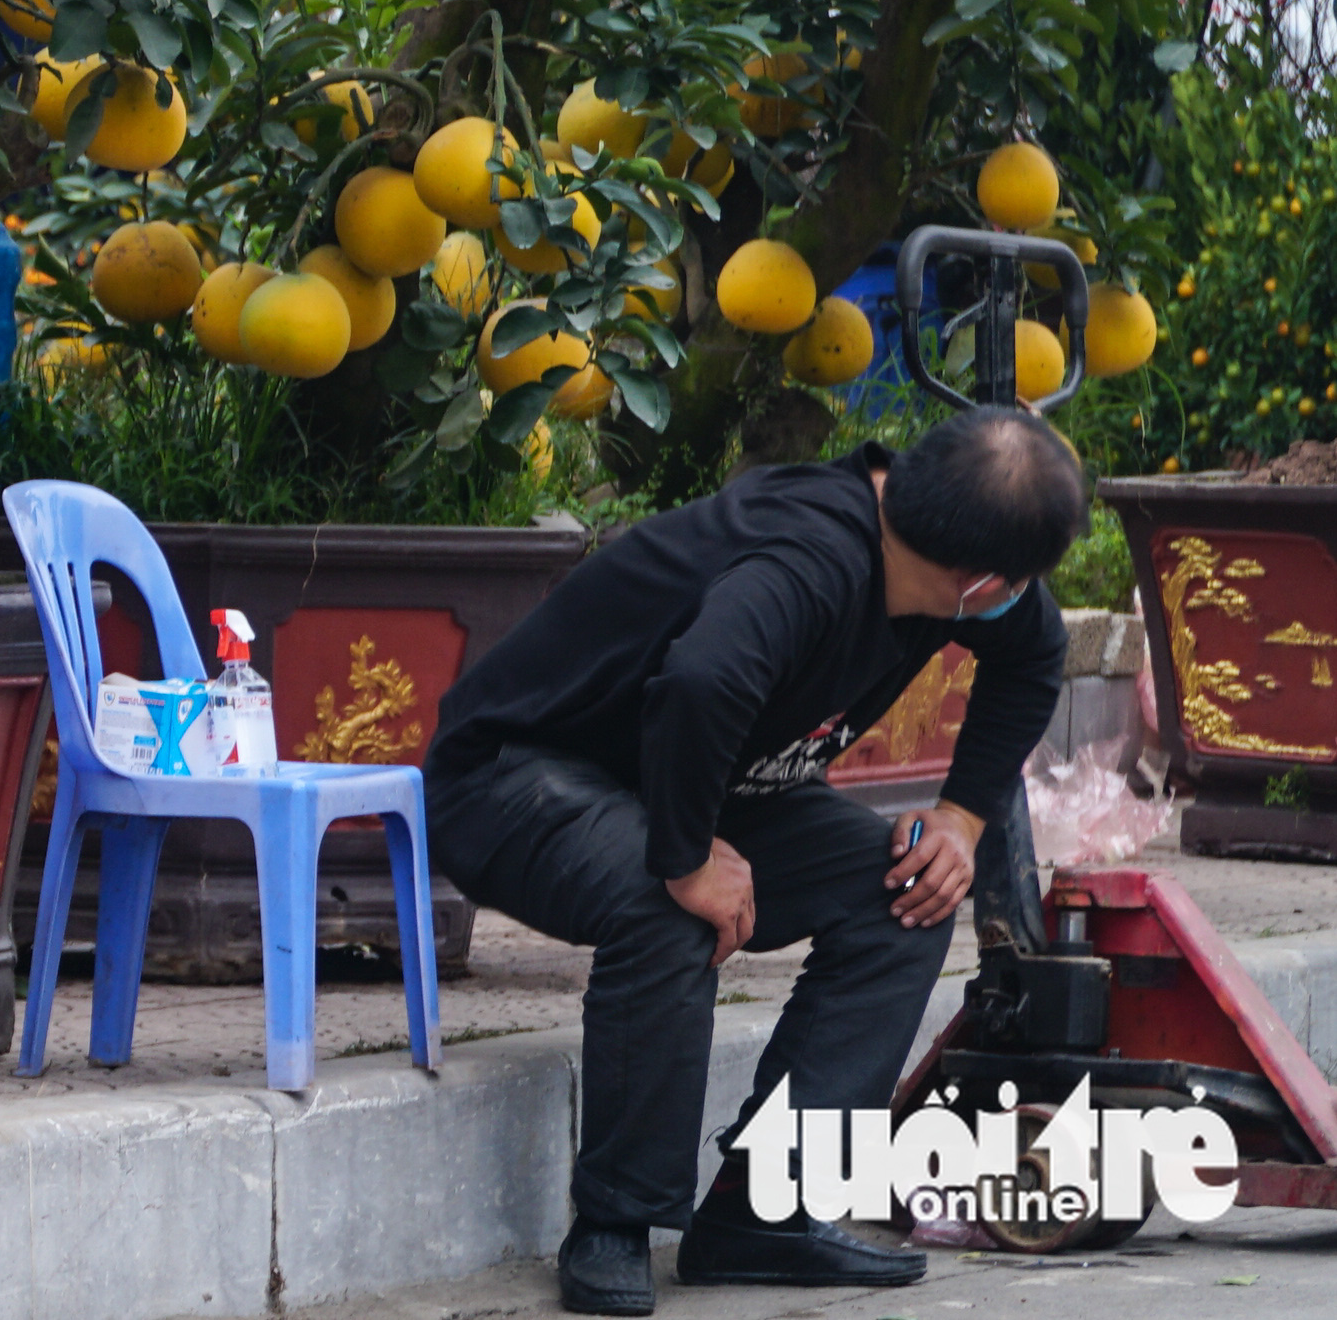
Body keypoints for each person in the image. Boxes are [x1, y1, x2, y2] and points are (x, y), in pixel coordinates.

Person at [423, 408, 1083, 1316]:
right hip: (516, 776)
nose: (1018, 601)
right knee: (663, 900)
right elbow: (702, 680)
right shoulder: (808, 559)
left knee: (906, 890)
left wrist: (960, 821)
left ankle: (763, 1211)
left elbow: (1034, 655)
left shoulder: (941, 549)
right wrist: (688, 856)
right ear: (981, 582)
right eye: (1017, 587)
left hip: (688, 779)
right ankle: (613, 1221)